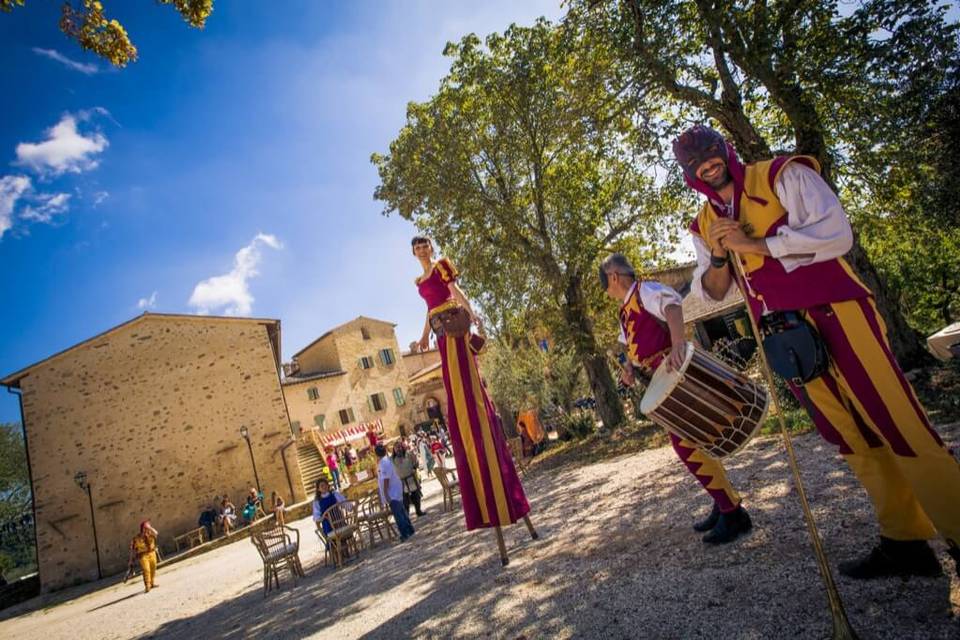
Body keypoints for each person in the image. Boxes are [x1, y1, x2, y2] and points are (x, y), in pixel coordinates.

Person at [674, 124, 960, 576]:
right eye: (695, 164)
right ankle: (905, 538)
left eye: (711, 154)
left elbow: (836, 235)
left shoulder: (783, 177)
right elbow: (713, 293)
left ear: (725, 151)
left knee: (899, 423)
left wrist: (755, 244)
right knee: (848, 434)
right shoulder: (704, 224)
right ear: (688, 174)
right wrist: (718, 254)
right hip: (786, 336)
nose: (707, 166)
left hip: (838, 312)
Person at [601, 252, 752, 543]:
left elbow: (672, 305)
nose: (605, 291)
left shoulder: (646, 290)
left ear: (614, 277)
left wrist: (678, 343)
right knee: (694, 443)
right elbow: (630, 347)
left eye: (605, 283)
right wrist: (630, 369)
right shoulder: (625, 309)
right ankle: (723, 503)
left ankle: (733, 513)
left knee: (687, 445)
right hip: (660, 381)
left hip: (675, 374)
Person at [413, 235, 531, 536]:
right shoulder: (419, 280)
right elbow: (429, 309)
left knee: (466, 384)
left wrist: (473, 312)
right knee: (453, 386)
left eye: (425, 245)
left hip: (454, 325)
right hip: (440, 332)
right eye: (418, 248)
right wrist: (424, 335)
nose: (423, 250)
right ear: (414, 253)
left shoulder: (442, 266)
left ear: (431, 248)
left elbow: (454, 291)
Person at [377, 444, 415, 540]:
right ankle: (410, 529)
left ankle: (405, 533)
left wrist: (385, 493)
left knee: (398, 513)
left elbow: (386, 479)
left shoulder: (384, 463)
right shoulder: (386, 461)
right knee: (401, 511)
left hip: (392, 491)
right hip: (396, 488)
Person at [392, 441, 426, 517]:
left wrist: (415, 466)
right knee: (405, 500)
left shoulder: (409, 454)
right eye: (397, 447)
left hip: (411, 479)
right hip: (401, 482)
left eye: (400, 447)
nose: (399, 449)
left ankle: (418, 511)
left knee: (416, 496)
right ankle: (406, 515)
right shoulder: (392, 459)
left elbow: (416, 463)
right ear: (394, 449)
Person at [129, 520, 160, 593]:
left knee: (153, 568)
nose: (146, 529)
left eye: (147, 527)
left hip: (152, 553)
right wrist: (130, 560)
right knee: (146, 570)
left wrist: (150, 528)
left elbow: (156, 533)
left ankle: (152, 583)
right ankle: (147, 586)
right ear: (142, 528)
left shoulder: (150, 534)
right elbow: (132, 549)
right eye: (145, 527)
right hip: (143, 555)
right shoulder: (136, 538)